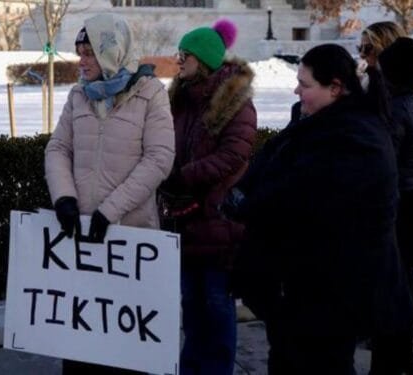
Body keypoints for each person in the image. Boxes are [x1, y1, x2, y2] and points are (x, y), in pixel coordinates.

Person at [223, 44, 413, 374]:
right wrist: (241, 194)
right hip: (300, 291)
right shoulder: (314, 121)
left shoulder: (358, 135)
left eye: (305, 84)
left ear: (336, 87)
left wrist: (248, 205)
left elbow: (300, 198)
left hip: (329, 295)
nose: (296, 90)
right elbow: (271, 161)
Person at [44, 13, 175, 375]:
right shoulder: (77, 96)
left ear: (112, 52)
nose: (81, 62)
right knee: (81, 350)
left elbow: (159, 158)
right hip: (81, 242)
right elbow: (58, 149)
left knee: (125, 354)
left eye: (89, 54)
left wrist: (110, 210)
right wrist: (64, 198)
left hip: (128, 240)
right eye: (79, 52)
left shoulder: (151, 93)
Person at [159, 19, 256, 375]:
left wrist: (182, 177)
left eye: (185, 55)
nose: (179, 61)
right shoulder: (180, 99)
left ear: (204, 59)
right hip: (183, 222)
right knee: (193, 309)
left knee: (216, 309)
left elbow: (234, 155)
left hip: (218, 224)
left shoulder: (235, 103)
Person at [371, 37, 413, 375]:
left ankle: (391, 358)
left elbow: (384, 161)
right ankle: (402, 354)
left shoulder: (395, 108)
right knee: (405, 278)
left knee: (391, 285)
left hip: (397, 201)